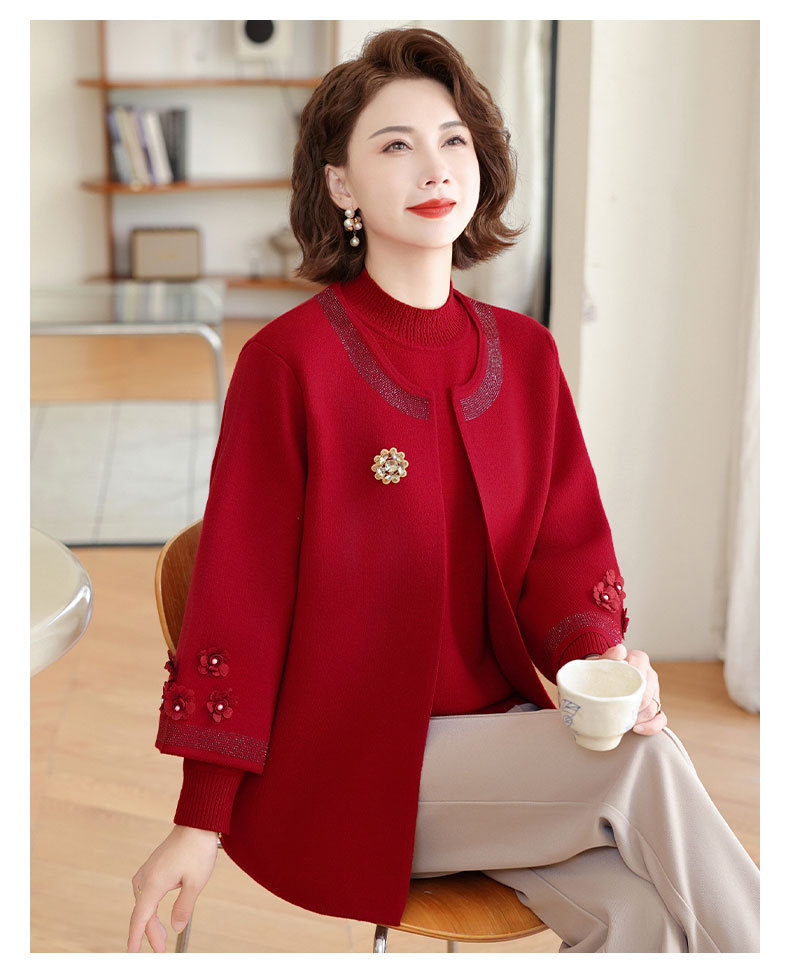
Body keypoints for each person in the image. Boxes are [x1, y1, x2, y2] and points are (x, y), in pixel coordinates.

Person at [127, 27, 759, 953]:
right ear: (341, 183)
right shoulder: (289, 365)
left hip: (504, 751)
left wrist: (604, 665)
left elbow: (564, 552)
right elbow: (240, 597)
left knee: (643, 915)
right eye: (396, 144)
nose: (434, 166)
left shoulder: (527, 356)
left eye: (453, 139)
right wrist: (200, 816)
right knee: (641, 763)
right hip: (347, 769)